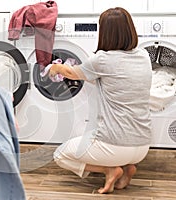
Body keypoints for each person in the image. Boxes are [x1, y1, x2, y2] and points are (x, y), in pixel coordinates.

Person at [49, 7, 152, 194]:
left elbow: (72, 73)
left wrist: (53, 68)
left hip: (114, 145)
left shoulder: (103, 59)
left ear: (105, 33)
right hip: (143, 145)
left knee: (60, 155)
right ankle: (128, 167)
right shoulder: (144, 56)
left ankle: (110, 170)